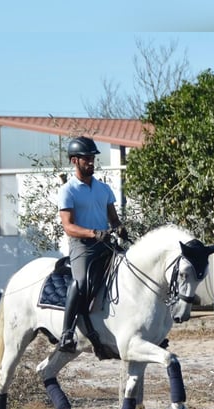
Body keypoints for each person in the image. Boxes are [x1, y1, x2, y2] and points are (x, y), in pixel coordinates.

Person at [57, 136, 127, 352]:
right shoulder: (68, 190)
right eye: (86, 158)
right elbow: (68, 226)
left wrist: (119, 228)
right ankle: (67, 333)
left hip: (105, 243)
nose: (91, 162)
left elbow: (113, 219)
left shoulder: (104, 189)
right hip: (82, 246)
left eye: (92, 158)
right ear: (74, 161)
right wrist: (93, 233)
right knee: (80, 282)